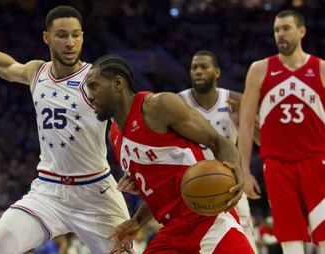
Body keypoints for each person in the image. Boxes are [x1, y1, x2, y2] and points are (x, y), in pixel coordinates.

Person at [0, 6, 130, 254]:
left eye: (76, 35)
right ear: (47, 37)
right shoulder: (37, 72)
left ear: (83, 36)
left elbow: (126, 123)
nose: (70, 42)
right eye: (62, 35)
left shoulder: (95, 79)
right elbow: (5, 66)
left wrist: (134, 167)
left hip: (95, 192)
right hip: (48, 191)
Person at [86, 54, 253, 253]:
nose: (90, 95)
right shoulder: (114, 136)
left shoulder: (158, 106)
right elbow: (158, 193)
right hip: (172, 231)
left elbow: (217, 141)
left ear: (118, 83)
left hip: (209, 221)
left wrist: (237, 170)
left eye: (94, 86)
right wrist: (137, 221)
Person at [239, 10, 325, 254]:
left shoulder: (320, 68)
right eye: (277, 30)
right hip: (277, 164)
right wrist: (244, 170)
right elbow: (245, 123)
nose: (280, 34)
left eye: (286, 28)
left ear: (302, 31)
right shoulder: (259, 69)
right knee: (289, 237)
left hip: (317, 160)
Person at [178, 50, 258, 252]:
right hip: (193, 187)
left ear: (217, 72)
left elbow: (262, 140)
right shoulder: (177, 103)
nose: (198, 71)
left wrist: (246, 121)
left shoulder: (234, 99)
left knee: (246, 245)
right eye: (194, 67)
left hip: (230, 184)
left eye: (204, 67)